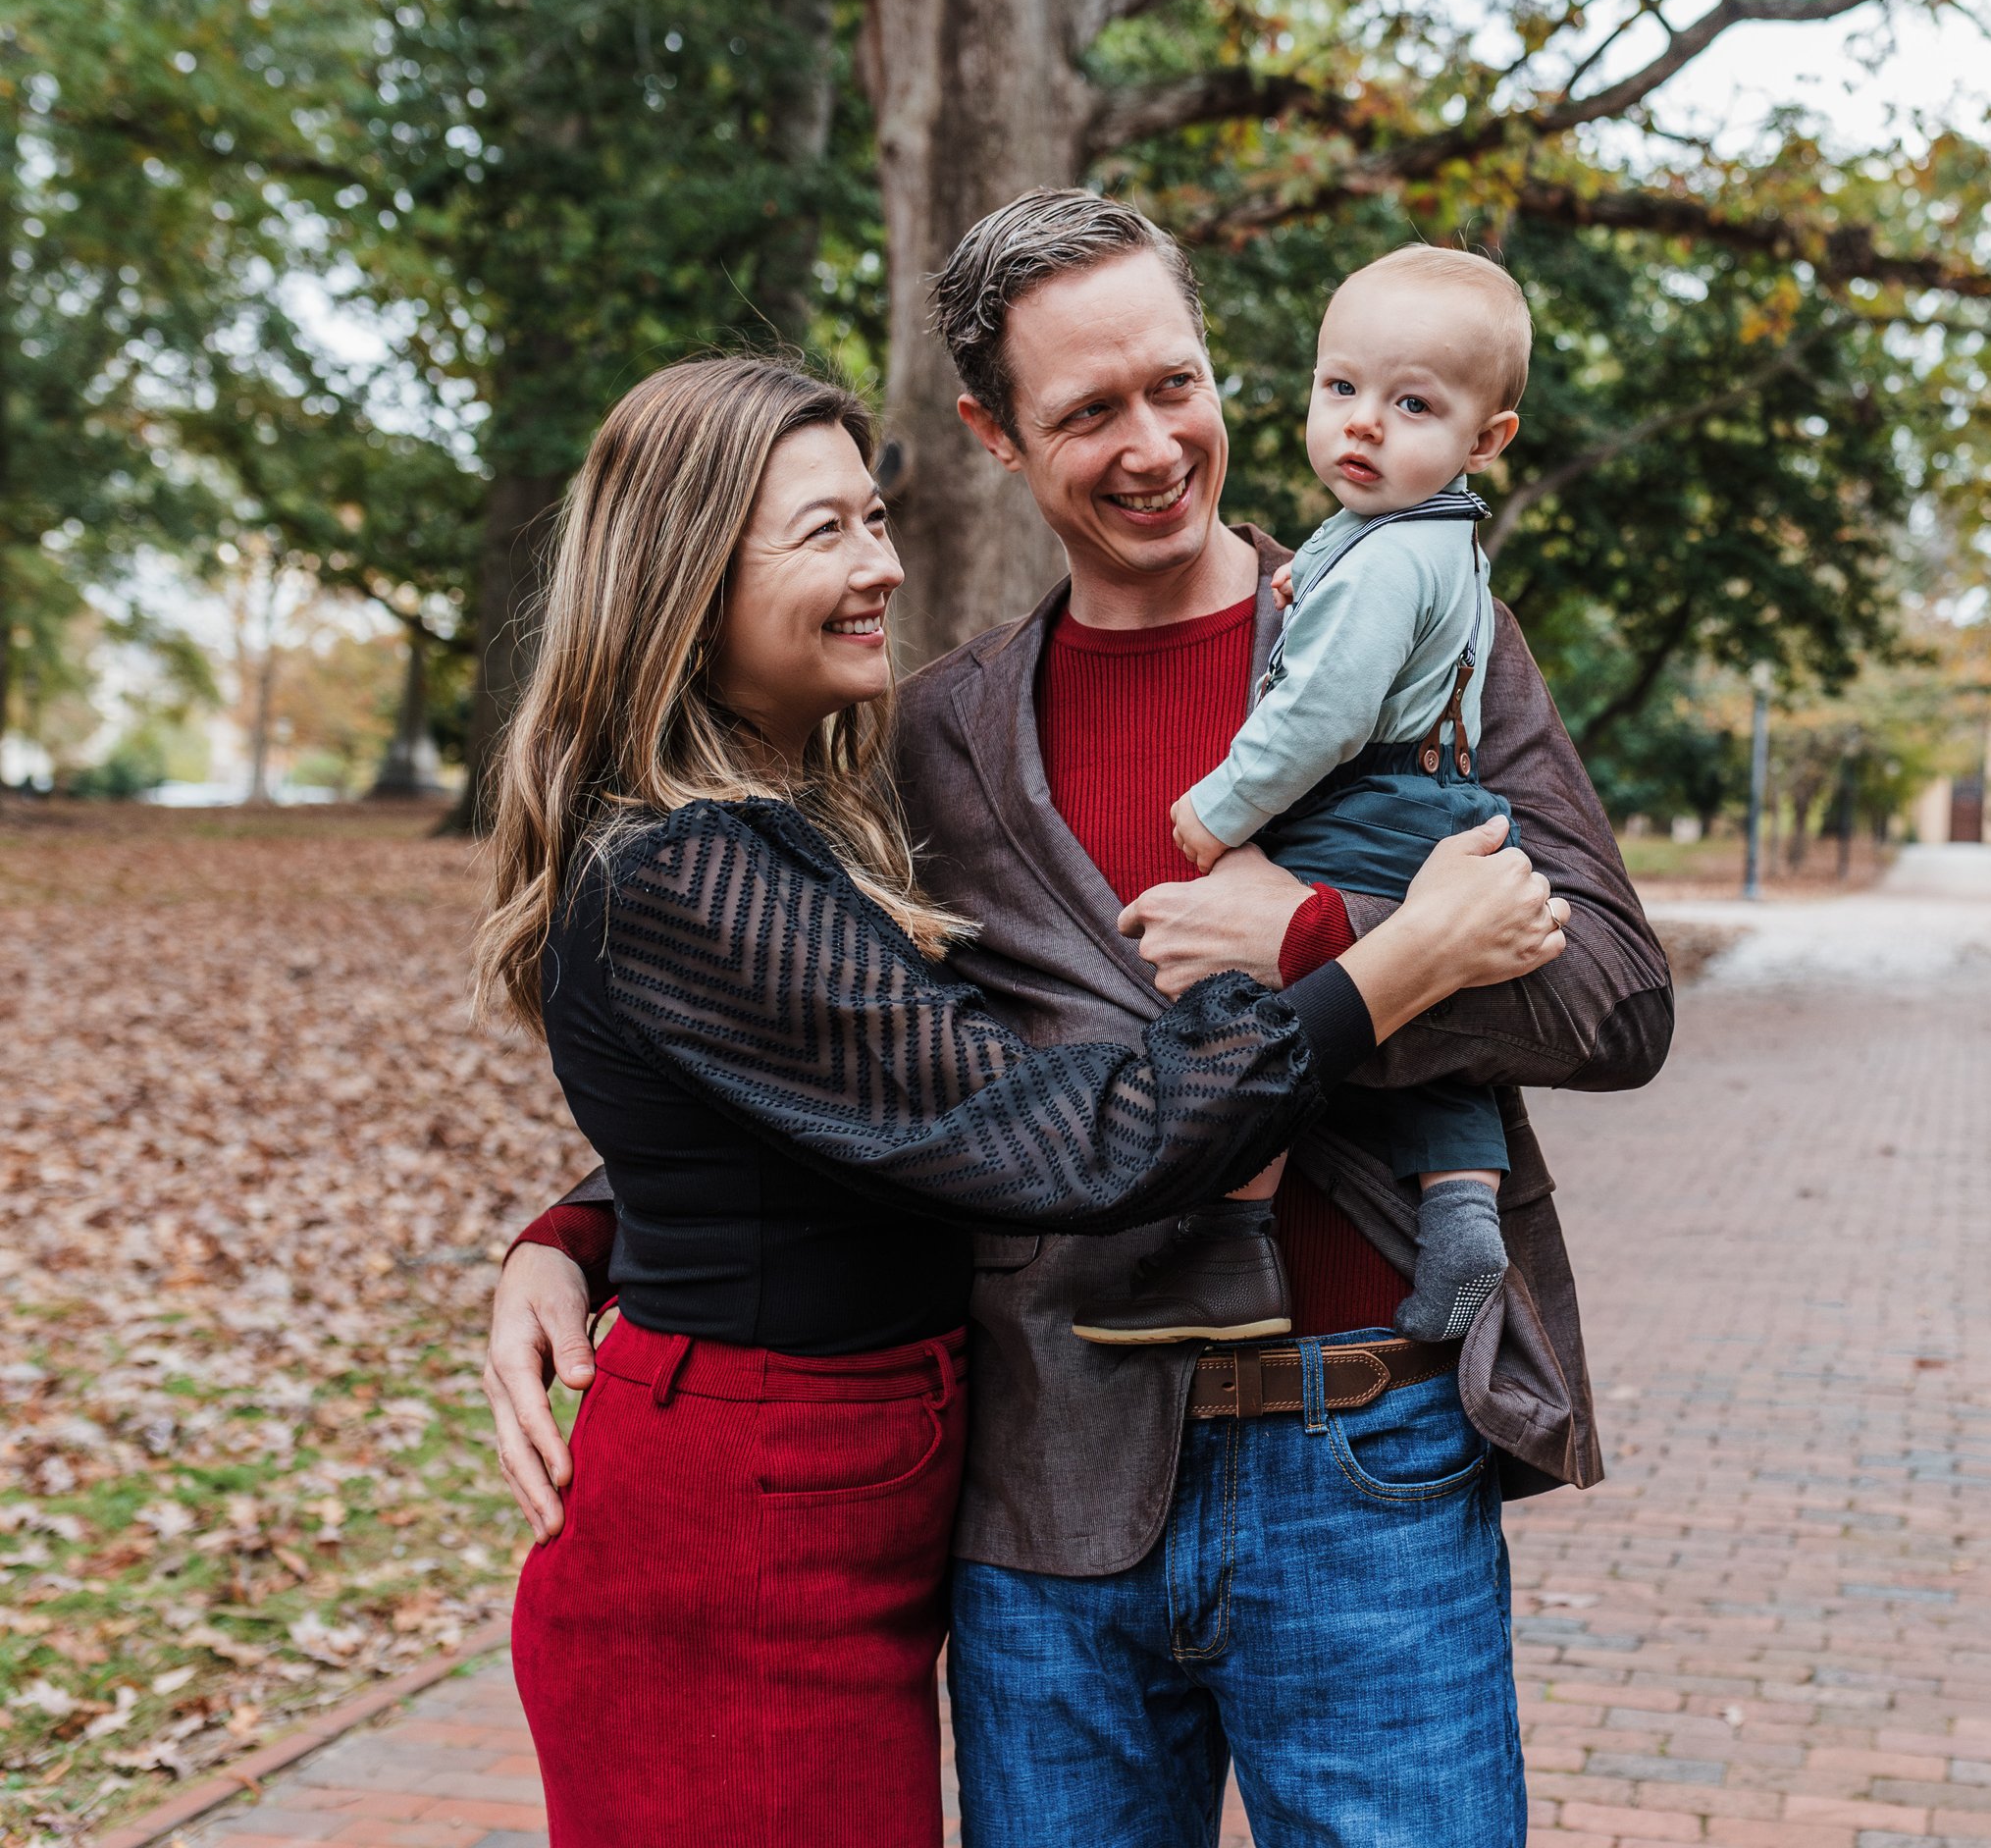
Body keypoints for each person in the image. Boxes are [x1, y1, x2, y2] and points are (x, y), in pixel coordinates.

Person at [486, 191, 1675, 1848]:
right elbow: (864, 1052)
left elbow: (1616, 997)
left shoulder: (1413, 626)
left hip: (1365, 1457)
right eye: (1087, 411)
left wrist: (1324, 935)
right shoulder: (925, 743)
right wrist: (585, 1225)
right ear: (989, 432)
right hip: (1052, 1478)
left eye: (1174, 385)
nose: (1153, 445)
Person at [1074, 243, 1533, 1349]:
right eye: (1343, 389)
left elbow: (1320, 713)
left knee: (1254, 991)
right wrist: (1312, 572)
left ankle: (1232, 1235)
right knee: (1418, 1008)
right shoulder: (1413, 537)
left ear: (1485, 440)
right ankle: (1464, 1211)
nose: (1363, 424)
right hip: (1431, 801)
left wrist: (1224, 806)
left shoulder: (1382, 563)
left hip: (1366, 801)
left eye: (1410, 403)